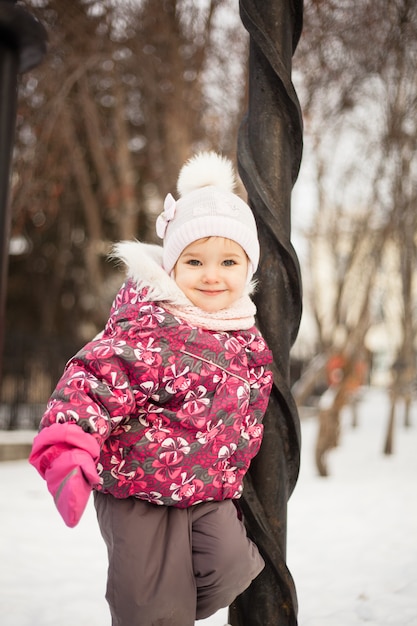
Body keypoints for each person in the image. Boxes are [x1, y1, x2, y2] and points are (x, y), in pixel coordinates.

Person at [29, 151, 274, 626]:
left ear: (248, 268)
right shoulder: (150, 327)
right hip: (136, 490)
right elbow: (93, 379)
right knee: (147, 606)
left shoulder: (244, 331)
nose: (212, 274)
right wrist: (68, 447)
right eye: (195, 261)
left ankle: (169, 610)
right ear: (171, 266)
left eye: (228, 261)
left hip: (204, 492)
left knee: (234, 569)